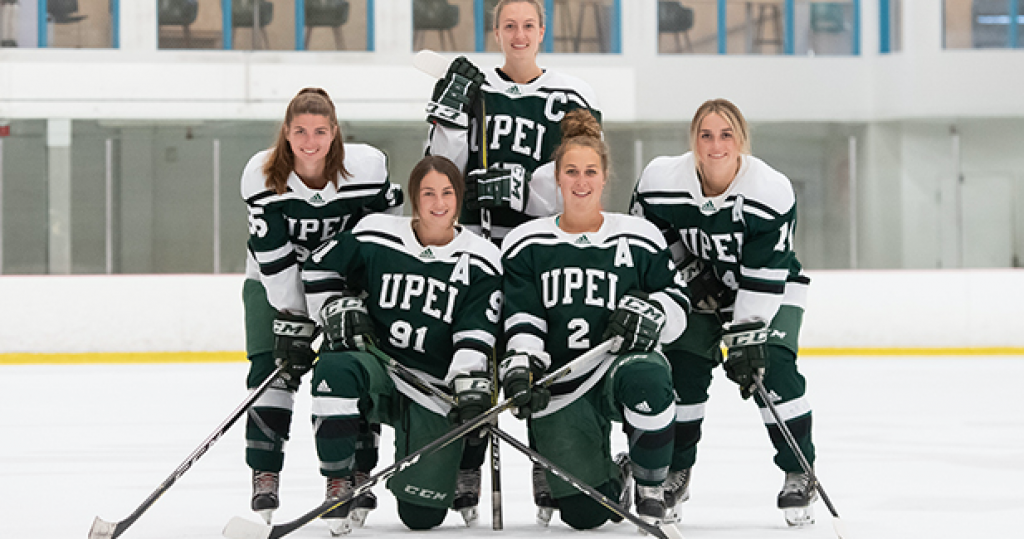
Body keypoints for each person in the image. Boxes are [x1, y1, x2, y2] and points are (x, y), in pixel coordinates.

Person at [424, 0, 601, 521]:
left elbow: (583, 173)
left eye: (528, 25)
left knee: (537, 353)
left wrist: (526, 188)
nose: (519, 34)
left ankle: (548, 463)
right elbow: (439, 168)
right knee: (476, 355)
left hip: (542, 247)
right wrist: (449, 111)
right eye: (509, 25)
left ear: (542, 30)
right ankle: (468, 461)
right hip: (481, 244)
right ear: (496, 31)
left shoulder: (570, 95)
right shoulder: (476, 88)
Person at [498, 109, 690, 532]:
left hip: (620, 366)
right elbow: (524, 317)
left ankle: (650, 486)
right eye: (571, 171)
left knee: (648, 376)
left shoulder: (639, 235)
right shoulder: (526, 242)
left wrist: (652, 314)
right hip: (564, 383)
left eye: (590, 171)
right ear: (557, 178)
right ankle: (615, 476)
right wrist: (524, 363)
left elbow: (678, 305)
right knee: (586, 516)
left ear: (605, 178)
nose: (580, 181)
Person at [629, 98, 817, 527]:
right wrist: (690, 272)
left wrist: (747, 335)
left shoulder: (769, 191)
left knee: (774, 370)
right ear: (694, 141)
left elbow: (765, 274)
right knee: (683, 373)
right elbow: (649, 235)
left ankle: (798, 469)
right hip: (697, 295)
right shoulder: (661, 179)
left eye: (726, 134)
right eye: (706, 135)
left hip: (770, 290)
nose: (716, 145)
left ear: (742, 141)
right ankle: (678, 469)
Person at [299, 155, 503, 534]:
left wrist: (463, 382)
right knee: (335, 368)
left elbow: (476, 329)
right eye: (428, 193)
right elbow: (318, 264)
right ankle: (342, 483)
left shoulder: (483, 257)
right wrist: (330, 309)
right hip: (379, 368)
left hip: (432, 388)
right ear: (414, 196)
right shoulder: (376, 232)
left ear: (459, 198)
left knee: (420, 517)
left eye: (446, 192)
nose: (438, 203)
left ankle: (462, 463)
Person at [241, 87, 403, 528]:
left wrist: (341, 304)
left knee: (352, 368)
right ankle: (265, 472)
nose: (309, 142)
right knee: (271, 370)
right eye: (299, 132)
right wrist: (300, 320)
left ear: (334, 133)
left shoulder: (366, 168)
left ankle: (356, 474)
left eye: (319, 131)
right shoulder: (262, 176)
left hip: (345, 286)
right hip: (274, 286)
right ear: (286, 135)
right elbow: (276, 266)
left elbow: (380, 233)